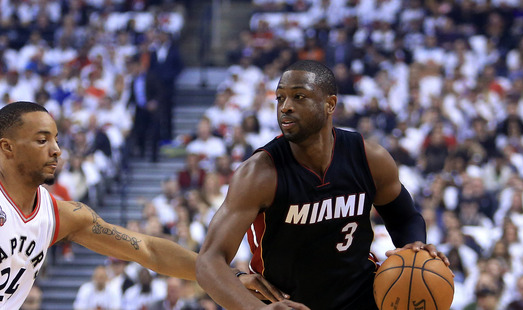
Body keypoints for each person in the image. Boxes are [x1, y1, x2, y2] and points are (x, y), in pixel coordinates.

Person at [196, 60, 450, 309]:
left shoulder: (369, 158)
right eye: (280, 98)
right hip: (286, 303)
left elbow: (404, 217)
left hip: (362, 297)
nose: (285, 107)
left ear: (330, 104)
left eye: (299, 97)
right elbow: (209, 261)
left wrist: (414, 243)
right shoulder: (260, 174)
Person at [0, 101, 279, 309]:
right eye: (41, 140)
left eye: (56, 140)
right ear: (7, 147)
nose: (56, 149)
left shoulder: (62, 215)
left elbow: (149, 251)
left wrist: (231, 275)